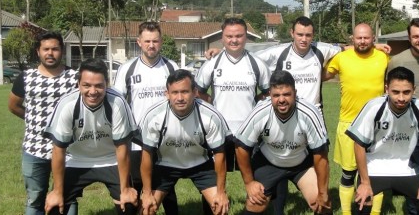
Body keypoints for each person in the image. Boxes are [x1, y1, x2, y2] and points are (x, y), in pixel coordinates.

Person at [43, 58, 139, 215]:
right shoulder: (67, 104)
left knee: (128, 205)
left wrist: (126, 189)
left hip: (111, 159)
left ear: (107, 84)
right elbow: (58, 150)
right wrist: (57, 191)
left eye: (99, 86)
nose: (92, 91)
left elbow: (122, 148)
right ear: (78, 84)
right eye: (86, 85)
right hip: (76, 160)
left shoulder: (117, 102)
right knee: (54, 207)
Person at [348, 66, 419, 215]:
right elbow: (359, 144)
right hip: (374, 166)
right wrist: (364, 182)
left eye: (407, 92)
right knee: (362, 203)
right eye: (395, 92)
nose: (401, 98)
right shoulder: (373, 107)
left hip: (407, 168)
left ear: (414, 89)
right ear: (387, 89)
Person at [234, 70, 331, 215]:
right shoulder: (260, 111)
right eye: (276, 95)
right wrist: (249, 183)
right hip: (269, 162)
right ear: (269, 95)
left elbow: (321, 155)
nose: (281, 100)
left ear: (295, 93)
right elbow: (241, 146)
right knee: (256, 204)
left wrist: (323, 192)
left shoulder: (309, 113)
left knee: (322, 204)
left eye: (286, 94)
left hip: (301, 164)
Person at [137, 69, 230, 215]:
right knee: (146, 209)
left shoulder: (210, 115)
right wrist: (147, 193)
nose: (180, 97)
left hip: (200, 164)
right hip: (165, 164)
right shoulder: (154, 115)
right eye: (174, 92)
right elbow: (147, 154)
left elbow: (220, 155)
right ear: (167, 93)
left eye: (185, 92)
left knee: (220, 208)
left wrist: (221, 192)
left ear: (194, 92)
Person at [8, 31, 79, 215]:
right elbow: (14, 105)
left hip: (68, 150)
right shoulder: (26, 77)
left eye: (55, 49)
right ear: (38, 51)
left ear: (61, 51)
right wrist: (34, 119)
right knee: (35, 198)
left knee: (68, 197)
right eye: (45, 49)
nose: (50, 53)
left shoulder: (74, 77)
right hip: (34, 148)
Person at [112, 21, 179, 214]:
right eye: (147, 41)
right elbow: (118, 104)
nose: (152, 45)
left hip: (165, 139)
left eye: (156, 41)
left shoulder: (171, 67)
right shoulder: (127, 69)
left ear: (161, 42)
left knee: (166, 187)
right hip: (136, 141)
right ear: (139, 42)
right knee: (136, 186)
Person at [322, 23, 389, 215]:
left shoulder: (384, 57)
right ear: (352, 39)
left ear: (373, 38)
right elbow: (320, 75)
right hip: (348, 123)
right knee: (348, 173)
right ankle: (346, 212)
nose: (362, 41)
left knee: (375, 173)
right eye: (358, 38)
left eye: (366, 38)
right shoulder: (341, 58)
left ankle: (374, 213)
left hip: (377, 125)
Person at [194, 17, 271, 170]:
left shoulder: (257, 64)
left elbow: (269, 93)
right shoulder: (212, 63)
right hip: (219, 130)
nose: (234, 40)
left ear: (246, 36)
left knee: (252, 175)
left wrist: (255, 101)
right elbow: (197, 92)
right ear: (222, 38)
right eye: (229, 36)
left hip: (250, 130)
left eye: (239, 36)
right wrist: (212, 101)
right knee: (216, 177)